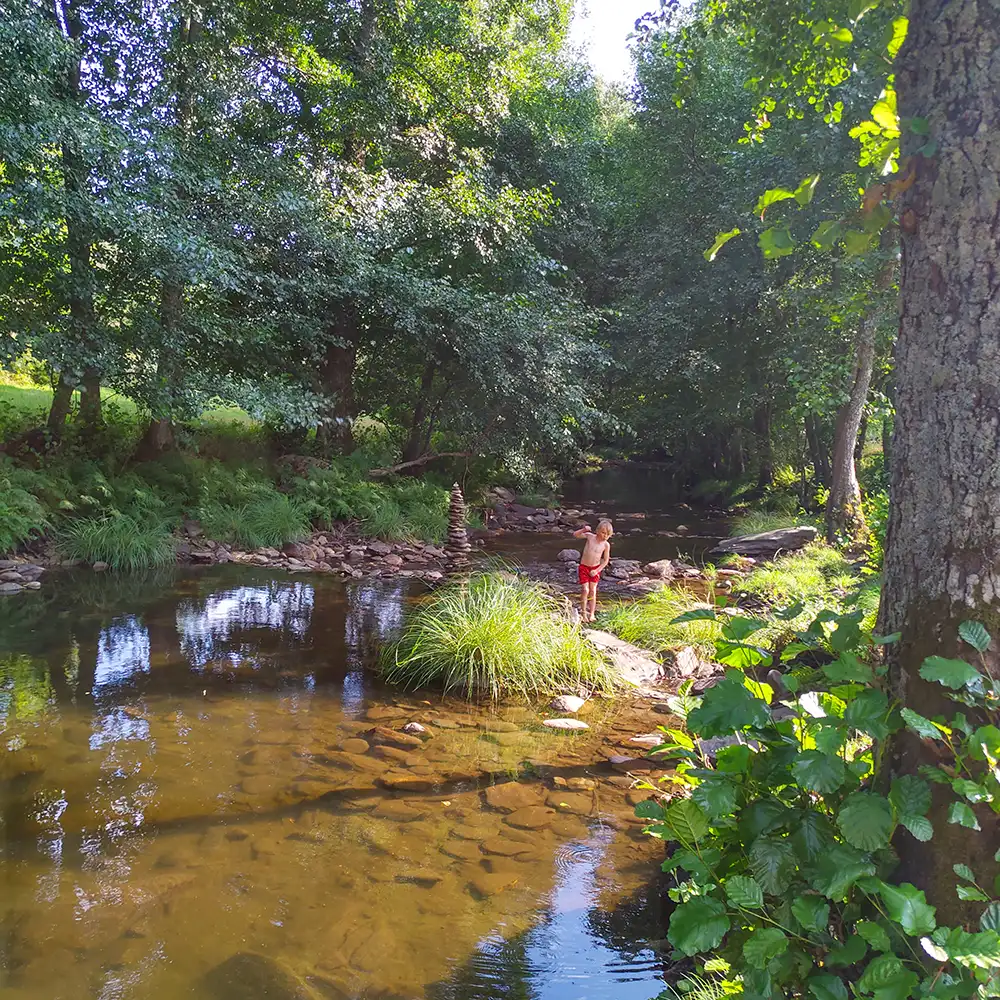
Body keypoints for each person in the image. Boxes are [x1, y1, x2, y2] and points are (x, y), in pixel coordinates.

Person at [571, 519, 613, 623]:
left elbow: (605, 560)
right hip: (584, 567)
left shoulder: (606, 545)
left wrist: (597, 570)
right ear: (597, 531)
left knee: (593, 591)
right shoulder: (590, 537)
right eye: (603, 533)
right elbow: (575, 535)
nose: (605, 536)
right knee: (585, 590)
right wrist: (583, 530)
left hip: (595, 569)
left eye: (607, 534)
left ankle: (592, 613)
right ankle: (584, 613)